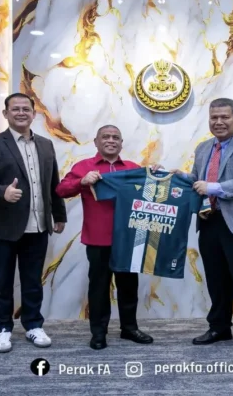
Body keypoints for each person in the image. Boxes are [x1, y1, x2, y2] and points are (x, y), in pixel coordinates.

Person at [174, 98, 233, 356]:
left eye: (225, 117)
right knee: (216, 280)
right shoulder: (203, 147)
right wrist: (178, 177)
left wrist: (214, 187)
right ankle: (219, 327)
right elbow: (198, 180)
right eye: (214, 117)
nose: (219, 122)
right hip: (209, 220)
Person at [0, 93, 67, 353]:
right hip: (2, 227)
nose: (21, 113)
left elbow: (54, 183)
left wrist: (59, 215)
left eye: (26, 109)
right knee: (2, 281)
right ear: (5, 114)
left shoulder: (46, 145)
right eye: (15, 109)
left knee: (32, 280)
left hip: (38, 226)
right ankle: (3, 328)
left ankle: (33, 325)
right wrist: (2, 191)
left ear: (34, 114)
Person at [55, 125, 154, 350]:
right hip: (97, 240)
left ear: (121, 143)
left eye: (115, 137)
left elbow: (151, 194)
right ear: (96, 142)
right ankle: (98, 333)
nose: (111, 140)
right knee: (99, 288)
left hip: (128, 240)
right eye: (106, 137)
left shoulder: (133, 168)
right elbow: (61, 190)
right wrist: (81, 181)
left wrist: (155, 175)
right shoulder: (84, 167)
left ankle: (129, 328)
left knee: (128, 286)